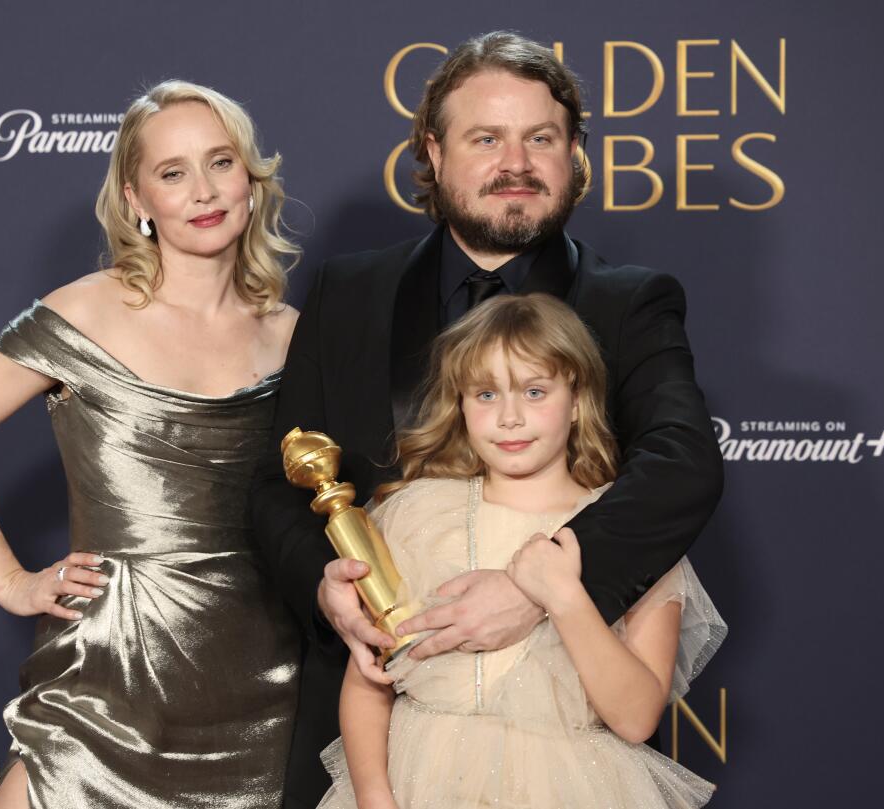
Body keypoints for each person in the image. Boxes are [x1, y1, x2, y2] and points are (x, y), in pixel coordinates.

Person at [249, 31, 724, 807]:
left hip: (566, 745)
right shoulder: (349, 290)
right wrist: (325, 588)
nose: (517, 162)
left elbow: (683, 463)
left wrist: (538, 584)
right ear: (432, 154)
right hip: (379, 735)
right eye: (486, 138)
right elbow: (280, 480)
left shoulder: (631, 301)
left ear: (575, 154)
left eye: (542, 137)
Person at [0, 80, 302, 809]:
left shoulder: (292, 336)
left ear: (251, 176)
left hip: (264, 686)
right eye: (173, 173)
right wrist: (9, 581)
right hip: (108, 674)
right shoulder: (85, 310)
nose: (204, 190)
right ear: (135, 200)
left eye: (221, 162)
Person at [318, 294, 726, 809]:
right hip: (417, 779)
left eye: (535, 391)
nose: (509, 418)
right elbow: (368, 680)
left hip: (575, 788)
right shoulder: (414, 516)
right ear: (460, 403)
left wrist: (565, 596)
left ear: (578, 399)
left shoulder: (626, 530)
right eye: (486, 395)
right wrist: (374, 796)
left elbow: (636, 715)